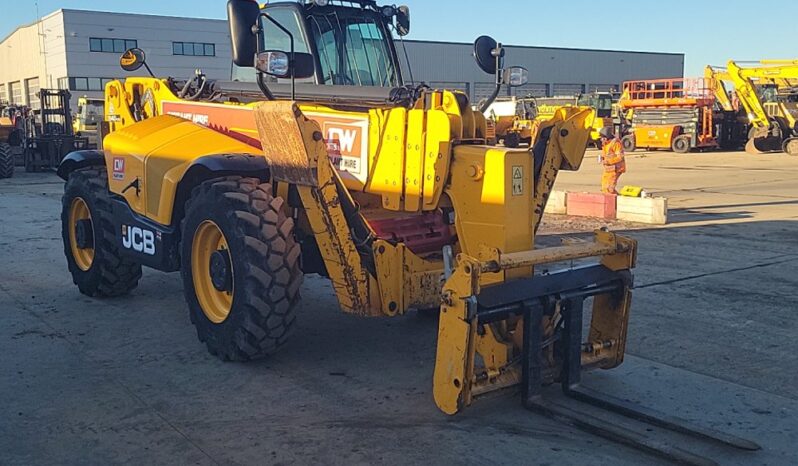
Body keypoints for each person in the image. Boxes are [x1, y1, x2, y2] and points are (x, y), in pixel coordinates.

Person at [598, 127, 626, 195]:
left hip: (616, 169)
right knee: (604, 187)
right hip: (609, 169)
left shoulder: (615, 143)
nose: (601, 140)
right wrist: (602, 157)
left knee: (609, 188)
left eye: (602, 138)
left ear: (606, 137)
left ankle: (616, 200)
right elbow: (607, 154)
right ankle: (614, 199)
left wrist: (608, 161)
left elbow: (620, 157)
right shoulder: (606, 144)